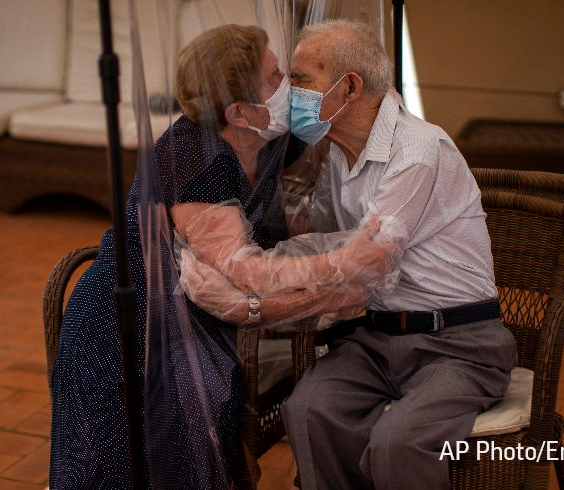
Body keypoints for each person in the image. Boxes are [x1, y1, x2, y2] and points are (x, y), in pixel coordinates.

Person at [50, 24, 389, 490]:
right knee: (138, 466)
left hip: (196, 318)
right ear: (239, 112)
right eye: (275, 78)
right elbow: (248, 272)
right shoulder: (195, 161)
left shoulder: (267, 139)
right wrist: (340, 266)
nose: (287, 86)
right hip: (131, 329)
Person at [268, 19, 518, 490]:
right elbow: (321, 238)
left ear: (349, 87)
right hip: (377, 340)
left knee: (397, 442)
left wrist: (260, 297)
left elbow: (366, 262)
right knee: (305, 411)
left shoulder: (418, 150)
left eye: (300, 80)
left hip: (459, 345)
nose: (289, 92)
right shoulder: (338, 155)